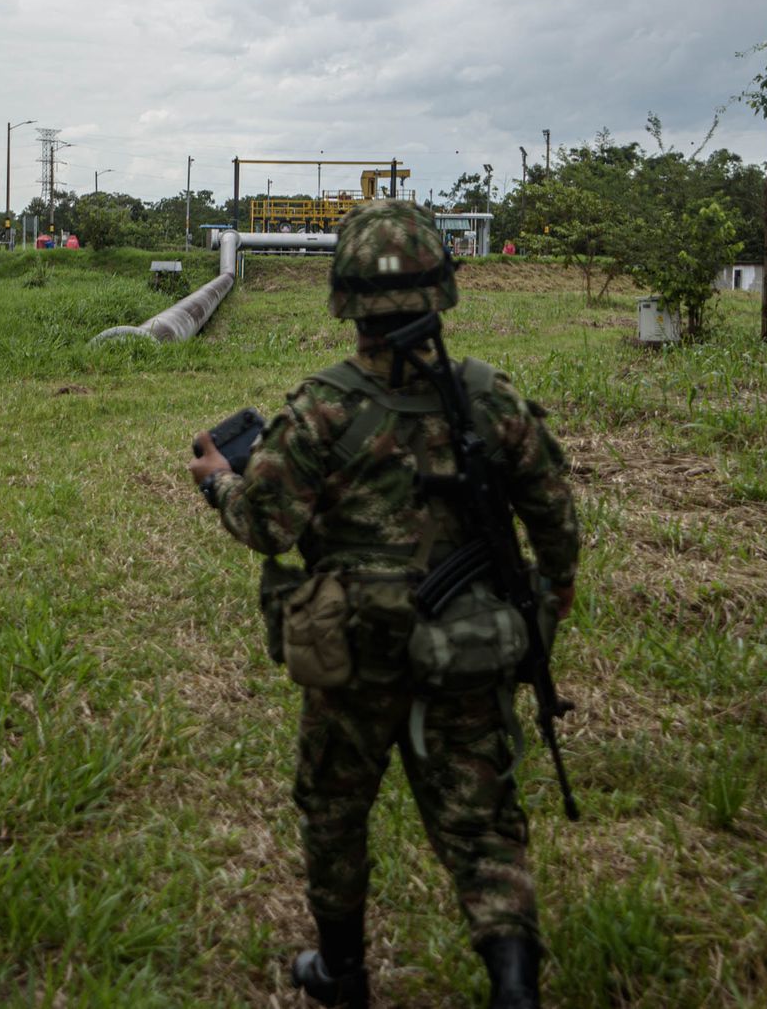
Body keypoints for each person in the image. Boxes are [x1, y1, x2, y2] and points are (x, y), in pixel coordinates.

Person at [188, 199, 581, 1009]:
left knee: (335, 808)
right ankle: (514, 985)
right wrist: (549, 595)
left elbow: (267, 526)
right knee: (482, 824)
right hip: (467, 646)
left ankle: (341, 973)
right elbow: (552, 511)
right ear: (443, 291)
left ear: (344, 298)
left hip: (353, 651)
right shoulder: (487, 397)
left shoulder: (319, 410)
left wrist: (218, 481)